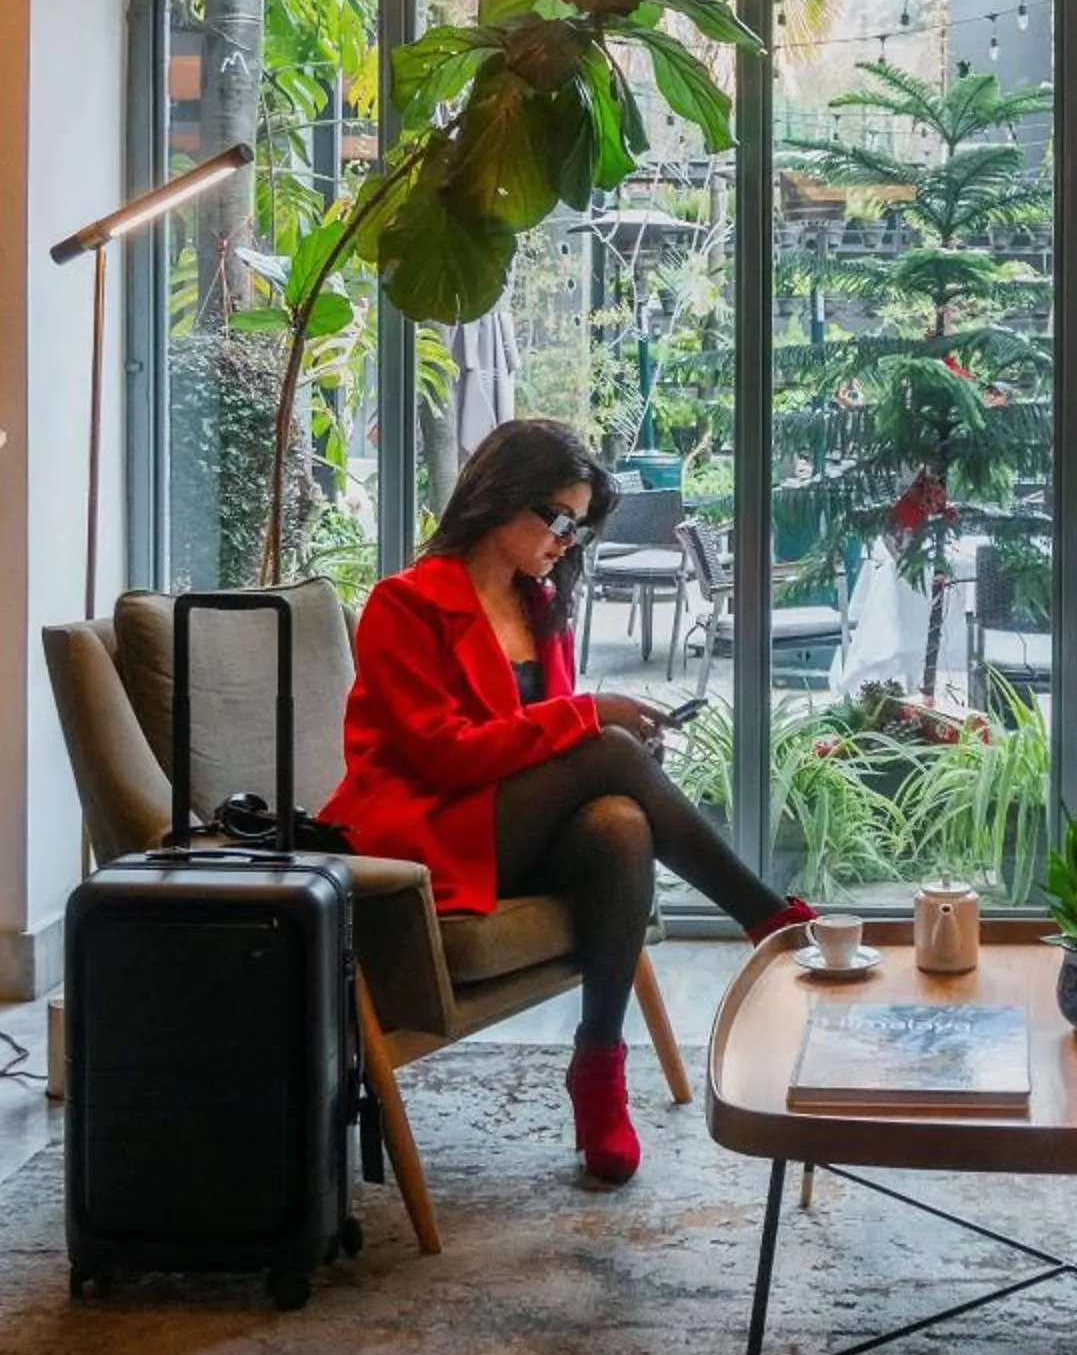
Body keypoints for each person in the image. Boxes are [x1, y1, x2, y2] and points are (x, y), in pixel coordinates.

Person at [321, 418, 815, 1185]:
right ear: (499, 499)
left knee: (620, 822)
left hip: (508, 829)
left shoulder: (538, 604)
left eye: (579, 526)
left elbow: (542, 744)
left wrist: (600, 744)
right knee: (607, 744)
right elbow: (442, 757)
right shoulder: (404, 605)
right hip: (426, 835)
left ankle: (599, 1070)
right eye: (558, 519)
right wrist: (591, 721)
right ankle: (765, 916)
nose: (568, 540)